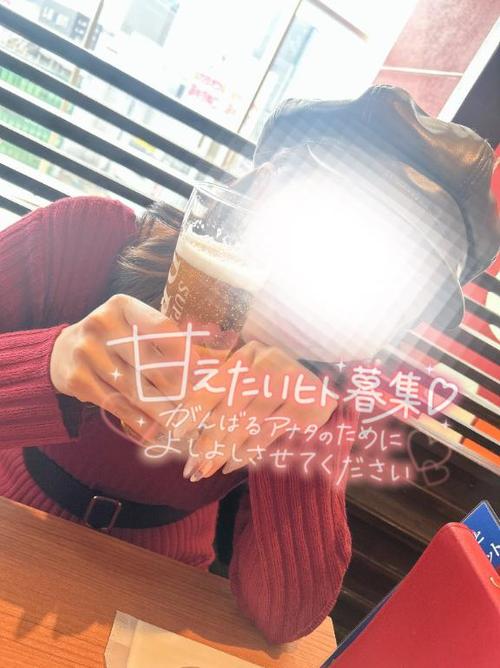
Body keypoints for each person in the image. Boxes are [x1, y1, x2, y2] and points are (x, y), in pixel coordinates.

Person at [0, 86, 498, 644]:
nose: (333, 288)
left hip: (161, 587)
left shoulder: (325, 395)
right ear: (264, 187)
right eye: (328, 228)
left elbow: (287, 616)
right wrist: (52, 360)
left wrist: (303, 434)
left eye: (399, 289)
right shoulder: (86, 241)